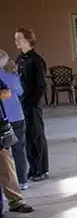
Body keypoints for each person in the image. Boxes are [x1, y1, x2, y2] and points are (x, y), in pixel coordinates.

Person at [13, 29, 47, 182]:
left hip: (32, 105)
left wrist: (33, 103)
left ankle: (41, 169)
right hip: (22, 104)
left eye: (19, 38)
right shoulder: (19, 59)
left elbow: (40, 86)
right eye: (15, 38)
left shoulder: (36, 60)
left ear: (28, 40)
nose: (16, 41)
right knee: (27, 138)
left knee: (37, 136)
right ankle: (32, 169)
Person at [0, 51, 29, 191]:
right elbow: (20, 92)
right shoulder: (11, 75)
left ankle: (9, 183)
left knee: (4, 154)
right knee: (19, 149)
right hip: (17, 116)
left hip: (3, 119)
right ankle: (22, 181)